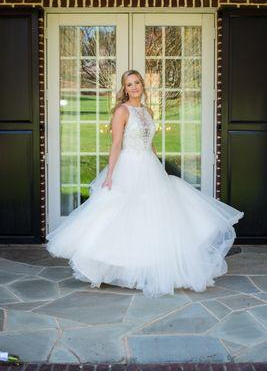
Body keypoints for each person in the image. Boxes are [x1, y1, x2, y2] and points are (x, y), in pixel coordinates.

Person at [46, 69, 244, 298]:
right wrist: (110, 175)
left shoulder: (148, 110)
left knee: (157, 218)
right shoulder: (122, 111)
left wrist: (159, 167)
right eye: (129, 84)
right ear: (124, 88)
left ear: (142, 85)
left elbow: (150, 143)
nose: (134, 87)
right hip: (129, 166)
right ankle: (120, 267)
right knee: (126, 216)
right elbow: (117, 144)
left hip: (150, 167)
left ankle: (151, 267)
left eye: (137, 82)